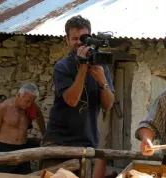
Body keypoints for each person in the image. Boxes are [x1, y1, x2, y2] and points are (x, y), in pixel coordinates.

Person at [41, 15, 114, 178]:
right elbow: (72, 101)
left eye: (83, 38)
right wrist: (82, 68)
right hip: (59, 144)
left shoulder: (100, 65)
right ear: (66, 39)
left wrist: (103, 81)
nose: (79, 43)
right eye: (74, 38)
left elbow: (109, 104)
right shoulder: (62, 66)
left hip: (87, 143)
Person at [0, 83, 45, 174]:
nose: (29, 105)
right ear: (18, 95)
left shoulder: (31, 107)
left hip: (23, 149)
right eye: (27, 101)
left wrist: (44, 135)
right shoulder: (3, 107)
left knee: (25, 175)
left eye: (31, 102)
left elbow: (39, 116)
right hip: (4, 149)